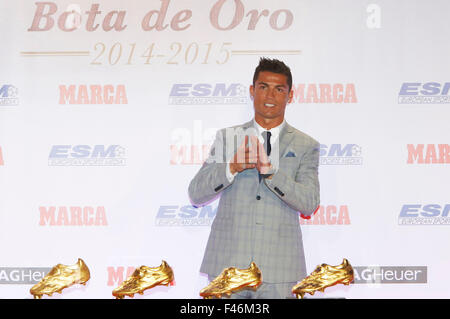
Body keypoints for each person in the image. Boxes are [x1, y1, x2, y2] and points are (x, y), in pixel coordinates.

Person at [188, 58, 320, 299]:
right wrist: (231, 167)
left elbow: (310, 203)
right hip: (228, 264)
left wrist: (272, 174)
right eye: (263, 87)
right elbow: (196, 193)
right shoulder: (228, 138)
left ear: (290, 95)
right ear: (252, 91)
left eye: (279, 89)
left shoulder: (306, 145)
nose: (270, 94)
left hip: (280, 268)